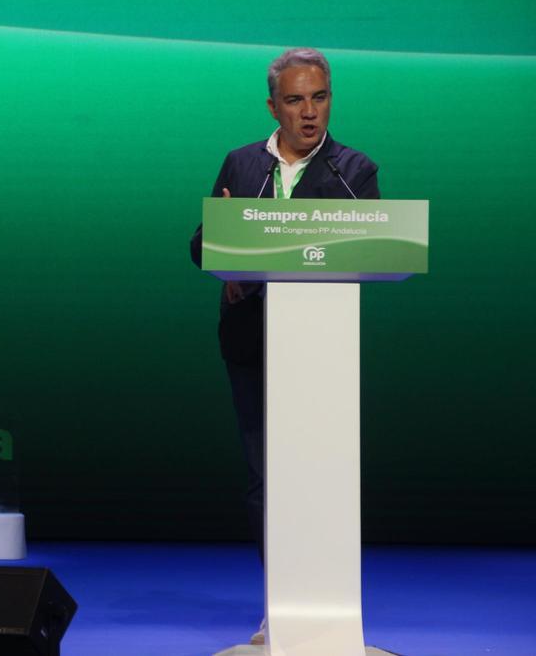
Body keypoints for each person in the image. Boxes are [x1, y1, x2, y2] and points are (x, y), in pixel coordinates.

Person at [189, 47, 379, 645]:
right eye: (295, 100)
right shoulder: (242, 163)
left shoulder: (353, 171)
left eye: (319, 98)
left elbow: (372, 247)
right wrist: (226, 242)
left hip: (322, 349)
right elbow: (200, 247)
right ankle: (281, 601)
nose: (309, 112)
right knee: (265, 479)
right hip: (252, 341)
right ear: (273, 107)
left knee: (321, 476)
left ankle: (326, 601)